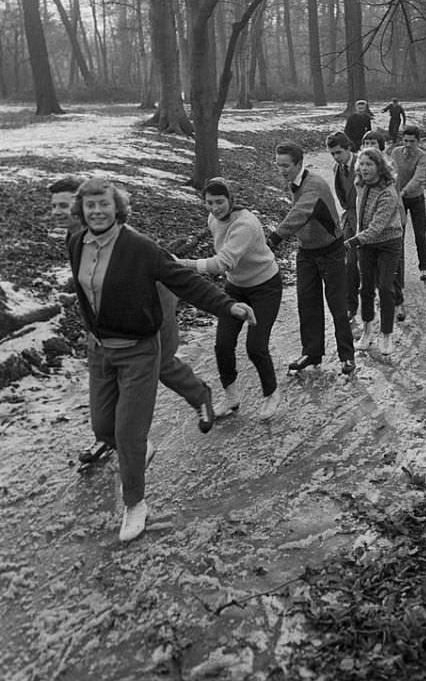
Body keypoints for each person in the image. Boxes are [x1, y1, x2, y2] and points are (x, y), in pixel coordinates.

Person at [67, 177, 256, 543]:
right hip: (100, 350)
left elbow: (183, 280)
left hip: (139, 350)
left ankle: (135, 503)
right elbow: (85, 291)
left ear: (117, 207)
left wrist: (227, 305)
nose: (97, 211)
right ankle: (139, 447)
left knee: (128, 433)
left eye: (104, 204)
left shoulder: (138, 247)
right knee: (103, 427)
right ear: (82, 210)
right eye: (90, 205)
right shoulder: (76, 241)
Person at [50, 176, 217, 469]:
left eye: (64, 205)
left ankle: (199, 395)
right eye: (54, 206)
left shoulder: (125, 239)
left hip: (152, 310)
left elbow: (166, 273)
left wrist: (154, 331)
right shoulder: (76, 236)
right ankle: (108, 436)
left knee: (161, 363)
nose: (58, 212)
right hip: (104, 328)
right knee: (104, 380)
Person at [176, 177, 283, 421]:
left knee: (256, 346)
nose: (215, 208)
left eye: (220, 202)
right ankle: (231, 395)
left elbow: (222, 263)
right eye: (209, 202)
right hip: (235, 287)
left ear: (230, 200)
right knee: (223, 345)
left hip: (265, 286)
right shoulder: (213, 219)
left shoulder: (245, 224)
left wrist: (183, 265)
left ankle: (271, 393)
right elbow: (218, 245)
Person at [267, 142, 355, 375]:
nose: (282, 170)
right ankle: (312, 352)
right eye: (278, 166)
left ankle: (347, 356)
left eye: (286, 165)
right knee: (307, 302)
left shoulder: (313, 185)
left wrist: (274, 238)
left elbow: (300, 214)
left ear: (299, 163)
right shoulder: (294, 183)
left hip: (331, 251)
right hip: (307, 252)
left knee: (337, 305)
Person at [345, 148, 403, 356]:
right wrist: (358, 237)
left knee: (385, 287)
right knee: (365, 287)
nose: (364, 168)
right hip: (366, 244)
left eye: (369, 164)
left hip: (388, 242)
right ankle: (367, 330)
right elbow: (361, 217)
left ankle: (387, 335)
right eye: (361, 164)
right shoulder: (360, 184)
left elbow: (377, 227)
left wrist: (352, 241)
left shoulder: (388, 192)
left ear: (379, 167)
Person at [391, 125, 426, 284]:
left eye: (412, 141)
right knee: (398, 233)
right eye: (405, 140)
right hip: (398, 199)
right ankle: (397, 269)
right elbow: (391, 172)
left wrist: (404, 191)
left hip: (415, 198)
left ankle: (424, 267)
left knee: (420, 234)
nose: (408, 144)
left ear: (418, 141)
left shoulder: (422, 156)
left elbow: (419, 178)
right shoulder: (395, 153)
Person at [326, 132, 359, 320]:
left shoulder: (363, 164)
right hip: (349, 219)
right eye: (332, 154)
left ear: (348, 148)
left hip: (367, 220)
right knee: (349, 263)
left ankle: (394, 299)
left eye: (339, 152)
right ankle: (350, 305)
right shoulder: (336, 169)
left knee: (373, 262)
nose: (336, 157)